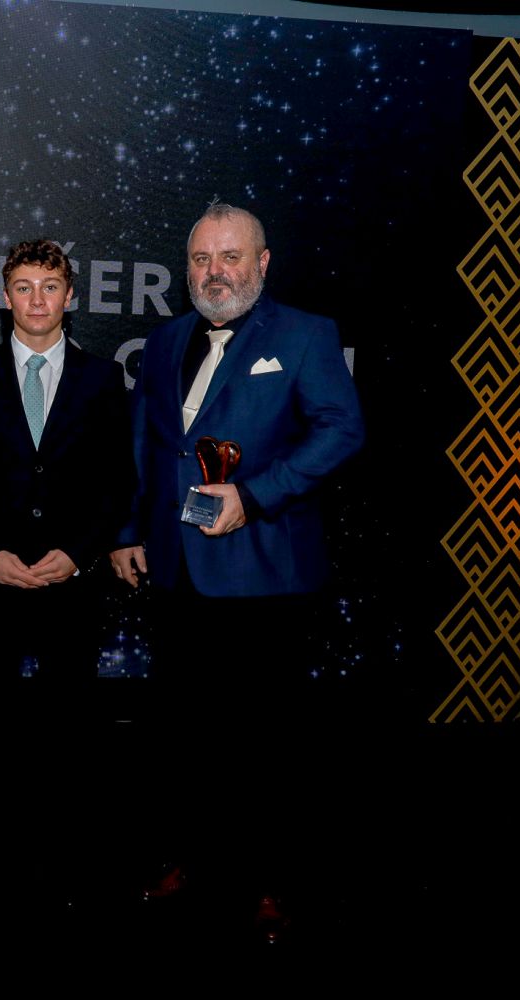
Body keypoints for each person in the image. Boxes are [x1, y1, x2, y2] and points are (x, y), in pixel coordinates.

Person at [110, 200, 364, 939]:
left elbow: (342, 430)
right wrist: (128, 531)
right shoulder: (165, 340)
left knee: (268, 741)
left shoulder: (306, 335)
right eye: (200, 259)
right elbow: (144, 446)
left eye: (229, 257)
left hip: (266, 576)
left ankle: (271, 883)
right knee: (185, 732)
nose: (213, 272)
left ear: (262, 262)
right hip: (177, 574)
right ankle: (191, 858)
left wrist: (253, 498)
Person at [0, 238, 132, 896]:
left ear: (70, 296)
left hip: (71, 584)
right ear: (5, 297)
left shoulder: (103, 379)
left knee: (68, 728)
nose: (37, 300)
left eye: (50, 287)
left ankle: (65, 867)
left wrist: (78, 554)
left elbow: (118, 482)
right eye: (23, 287)